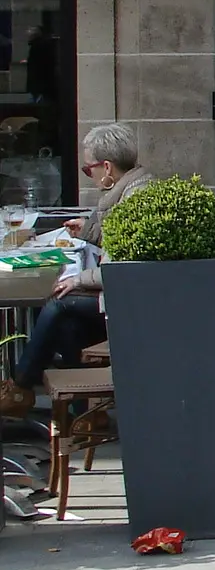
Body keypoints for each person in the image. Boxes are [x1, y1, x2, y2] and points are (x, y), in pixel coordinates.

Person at [0, 123, 153, 417]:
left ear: (106, 166)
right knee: (67, 326)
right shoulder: (130, 189)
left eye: (88, 169)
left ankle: (20, 386)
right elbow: (120, 244)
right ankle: (86, 414)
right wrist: (89, 232)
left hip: (130, 306)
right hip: (126, 299)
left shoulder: (135, 198)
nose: (89, 175)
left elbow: (123, 266)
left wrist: (81, 278)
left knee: (57, 306)